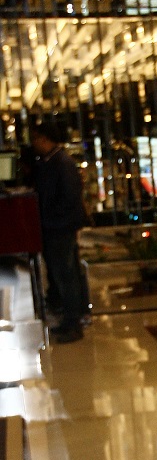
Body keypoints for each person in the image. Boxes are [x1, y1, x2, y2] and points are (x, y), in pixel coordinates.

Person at [30, 121, 87, 343]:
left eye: (36, 138)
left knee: (66, 275)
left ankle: (73, 322)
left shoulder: (61, 163)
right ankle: (70, 319)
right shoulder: (52, 162)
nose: (33, 143)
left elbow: (69, 197)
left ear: (45, 138)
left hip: (60, 227)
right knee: (64, 274)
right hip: (57, 226)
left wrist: (51, 218)